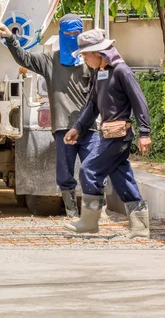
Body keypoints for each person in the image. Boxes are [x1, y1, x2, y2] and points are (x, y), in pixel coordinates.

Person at [0, 15, 99, 217]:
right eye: (68, 34)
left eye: (76, 33)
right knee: (65, 174)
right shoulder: (50, 60)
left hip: (88, 127)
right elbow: (25, 58)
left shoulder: (89, 62)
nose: (72, 37)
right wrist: (9, 38)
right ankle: (72, 214)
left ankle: (92, 216)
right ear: (60, 34)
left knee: (92, 169)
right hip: (62, 127)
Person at [63, 29, 152, 238]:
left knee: (89, 169)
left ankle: (89, 222)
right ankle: (140, 228)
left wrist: (144, 133)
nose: (83, 58)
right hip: (108, 134)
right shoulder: (99, 73)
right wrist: (78, 128)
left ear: (98, 53)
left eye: (85, 54)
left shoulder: (122, 71)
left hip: (119, 136)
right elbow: (92, 105)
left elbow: (140, 102)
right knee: (122, 178)